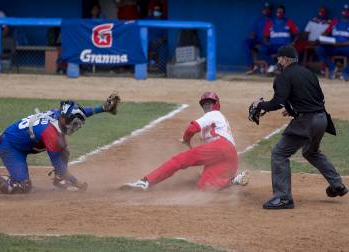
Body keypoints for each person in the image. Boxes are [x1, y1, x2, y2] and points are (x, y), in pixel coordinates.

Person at [250, 45, 348, 210]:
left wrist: (260, 104)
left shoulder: (283, 77)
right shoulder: (308, 74)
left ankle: (283, 198)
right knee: (311, 152)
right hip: (321, 119)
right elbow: (317, 98)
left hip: (307, 121)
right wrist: (293, 111)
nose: (278, 61)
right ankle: (338, 185)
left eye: (279, 58)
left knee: (279, 153)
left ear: (286, 59)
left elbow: (277, 102)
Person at [0, 97, 120, 194]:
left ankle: (59, 180)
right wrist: (77, 183)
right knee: (23, 187)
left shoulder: (59, 115)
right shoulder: (51, 134)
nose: (75, 127)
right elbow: (58, 164)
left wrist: (103, 108)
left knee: (63, 148)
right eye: (74, 124)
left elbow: (82, 112)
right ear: (66, 120)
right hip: (10, 147)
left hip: (22, 143)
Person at [121, 91, 249, 191]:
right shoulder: (219, 122)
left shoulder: (213, 114)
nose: (207, 105)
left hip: (221, 147)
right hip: (231, 156)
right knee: (205, 187)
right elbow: (210, 153)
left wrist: (186, 140)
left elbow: (192, 128)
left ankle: (145, 182)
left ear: (216, 105)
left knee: (178, 161)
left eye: (210, 102)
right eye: (205, 104)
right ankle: (233, 181)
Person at [258, 5, 299, 74]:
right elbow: (265, 35)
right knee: (262, 49)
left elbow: (297, 34)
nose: (279, 13)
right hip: (273, 46)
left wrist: (293, 42)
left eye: (281, 12)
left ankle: (278, 67)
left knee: (293, 54)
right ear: (275, 13)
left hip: (285, 46)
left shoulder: (289, 22)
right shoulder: (270, 22)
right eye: (278, 12)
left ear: (284, 13)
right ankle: (273, 65)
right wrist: (266, 42)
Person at [316, 4, 349, 81]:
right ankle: (332, 67)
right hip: (333, 46)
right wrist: (323, 36)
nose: (345, 12)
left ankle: (346, 73)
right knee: (319, 49)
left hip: (346, 47)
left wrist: (341, 44)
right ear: (342, 11)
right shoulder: (334, 21)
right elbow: (326, 32)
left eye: (347, 11)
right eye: (344, 10)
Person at [244, 2, 272, 75]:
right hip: (257, 40)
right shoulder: (259, 20)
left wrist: (266, 42)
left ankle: (261, 66)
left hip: (266, 41)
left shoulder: (272, 21)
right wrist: (252, 38)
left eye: (267, 9)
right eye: (265, 9)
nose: (266, 11)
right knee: (246, 42)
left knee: (265, 47)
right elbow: (253, 33)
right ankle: (250, 66)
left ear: (270, 11)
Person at [146, 3, 167, 73]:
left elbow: (165, 36)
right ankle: (138, 69)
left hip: (158, 44)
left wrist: (160, 41)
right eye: (155, 10)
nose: (156, 11)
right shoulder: (148, 19)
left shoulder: (163, 21)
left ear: (161, 12)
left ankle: (161, 70)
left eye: (158, 10)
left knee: (164, 48)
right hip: (147, 43)